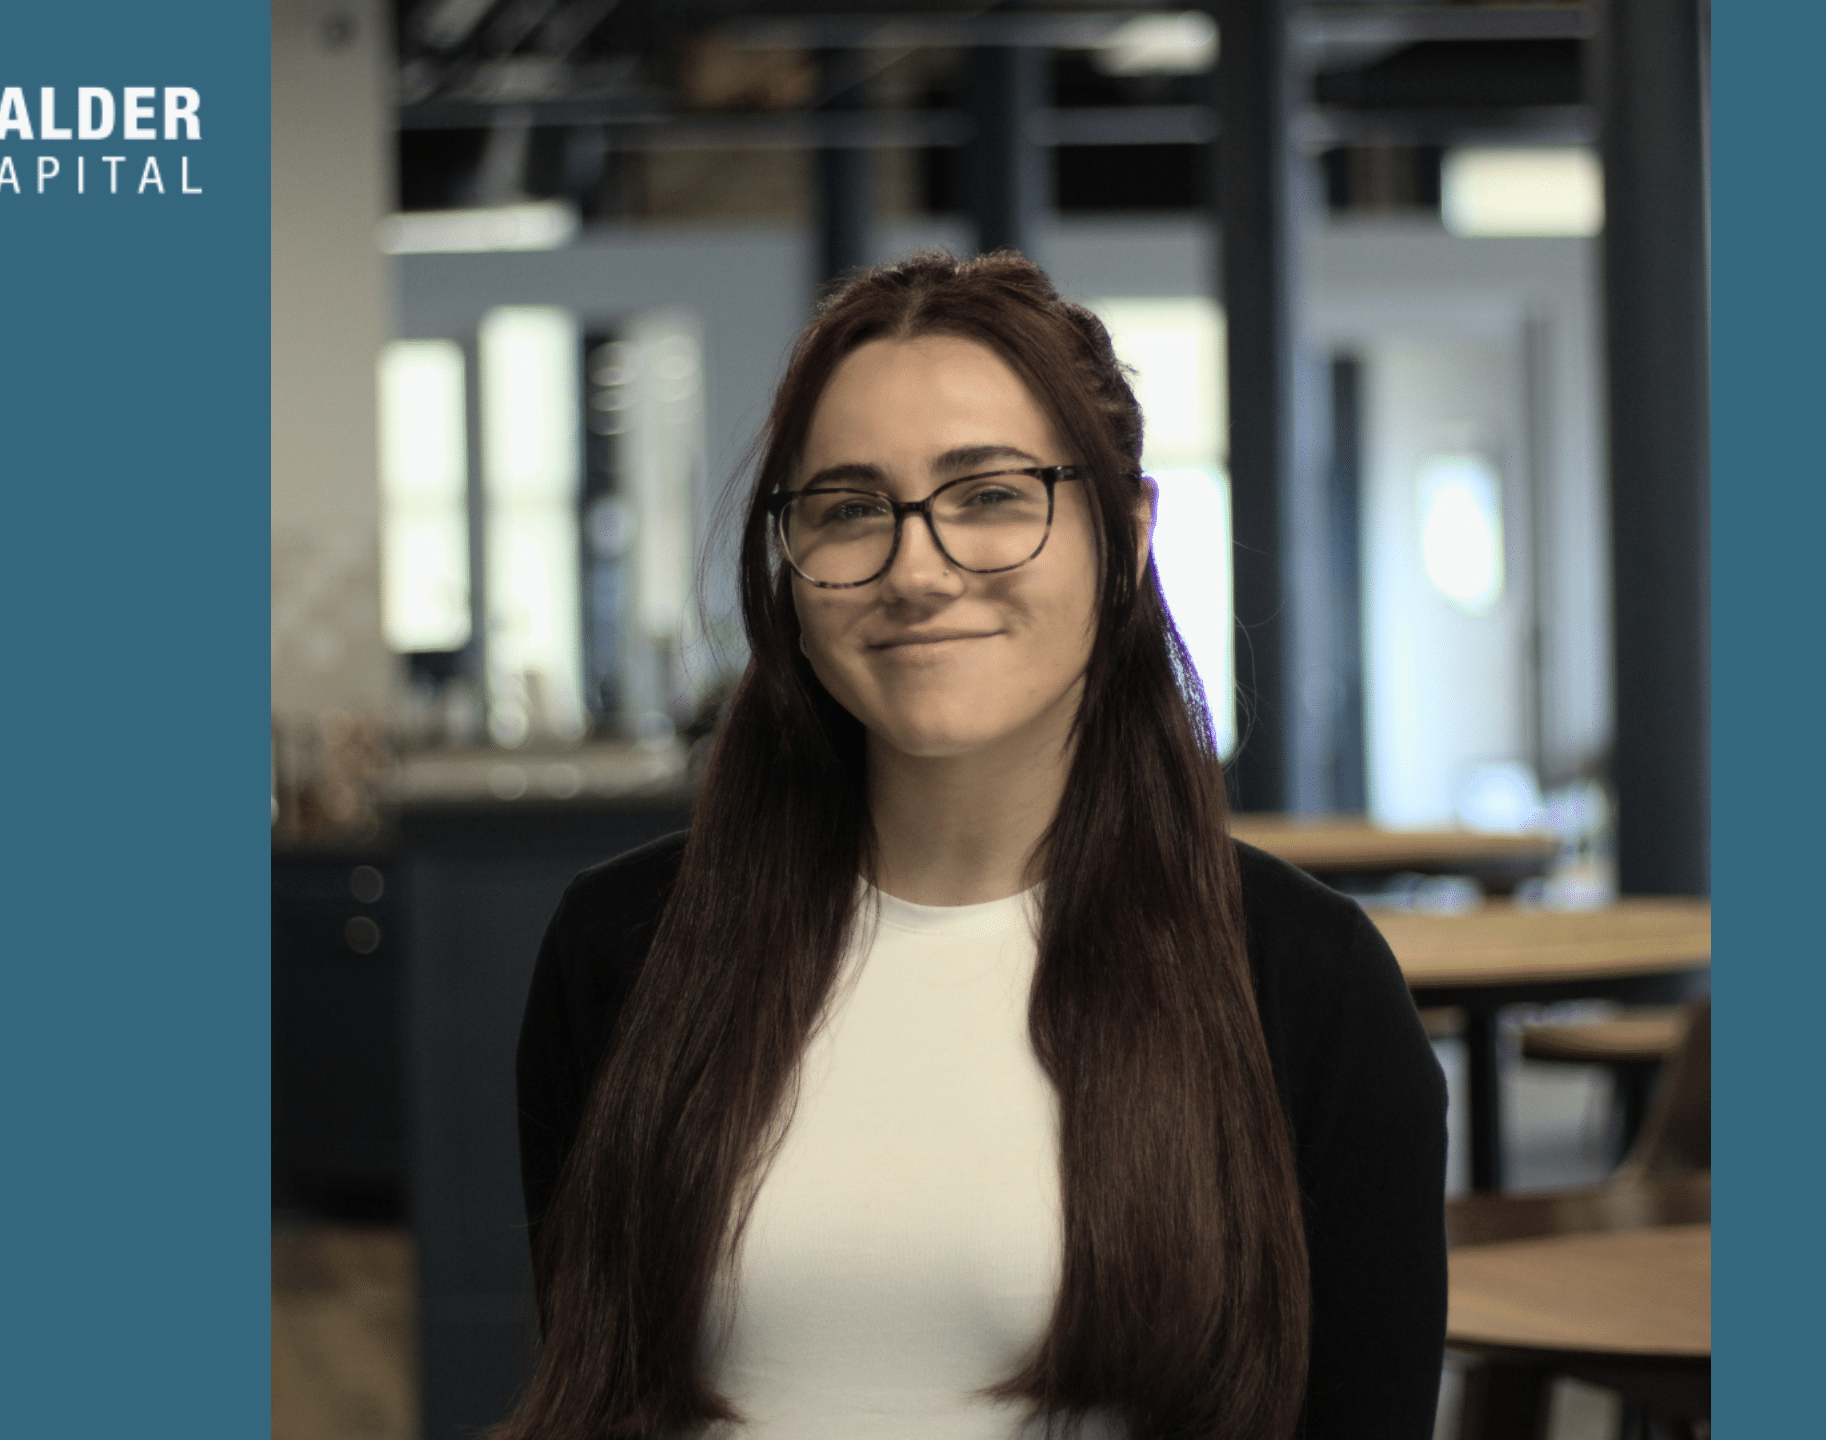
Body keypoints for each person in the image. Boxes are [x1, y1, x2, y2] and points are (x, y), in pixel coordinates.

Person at [502, 251, 1445, 1440]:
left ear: (1127, 532)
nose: (915, 569)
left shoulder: (1306, 985)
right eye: (848, 509)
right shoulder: (624, 954)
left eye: (992, 496)